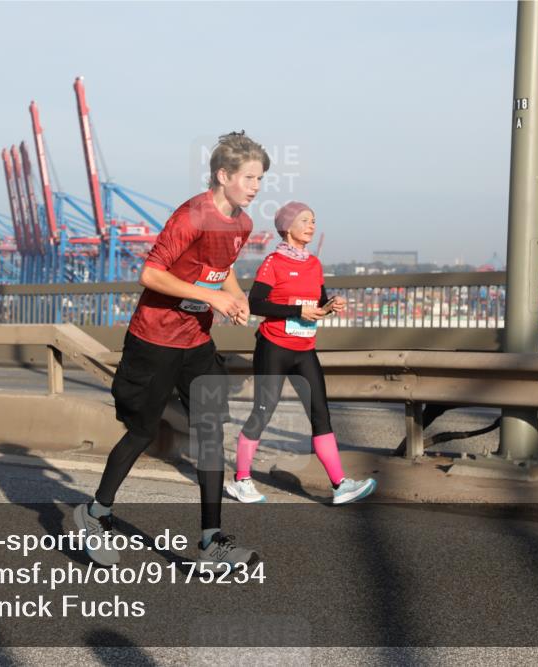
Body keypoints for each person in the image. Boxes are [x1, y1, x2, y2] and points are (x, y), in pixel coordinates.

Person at [74, 131, 267, 568]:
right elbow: (151, 274)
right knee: (143, 432)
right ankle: (95, 513)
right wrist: (215, 299)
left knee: (212, 432)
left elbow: (224, 269)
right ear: (224, 175)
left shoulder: (242, 223)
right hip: (154, 339)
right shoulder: (191, 216)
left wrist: (233, 298)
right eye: (250, 177)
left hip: (197, 341)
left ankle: (211, 542)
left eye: (260, 179)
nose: (257, 187)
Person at [226, 202, 377, 505]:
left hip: (305, 349)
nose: (311, 226)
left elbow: (318, 304)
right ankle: (241, 480)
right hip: (274, 347)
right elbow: (255, 304)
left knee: (320, 413)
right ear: (288, 226)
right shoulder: (273, 262)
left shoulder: (314, 264)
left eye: (314, 221)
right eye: (305, 221)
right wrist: (297, 309)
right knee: (264, 412)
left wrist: (332, 305)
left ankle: (340, 485)